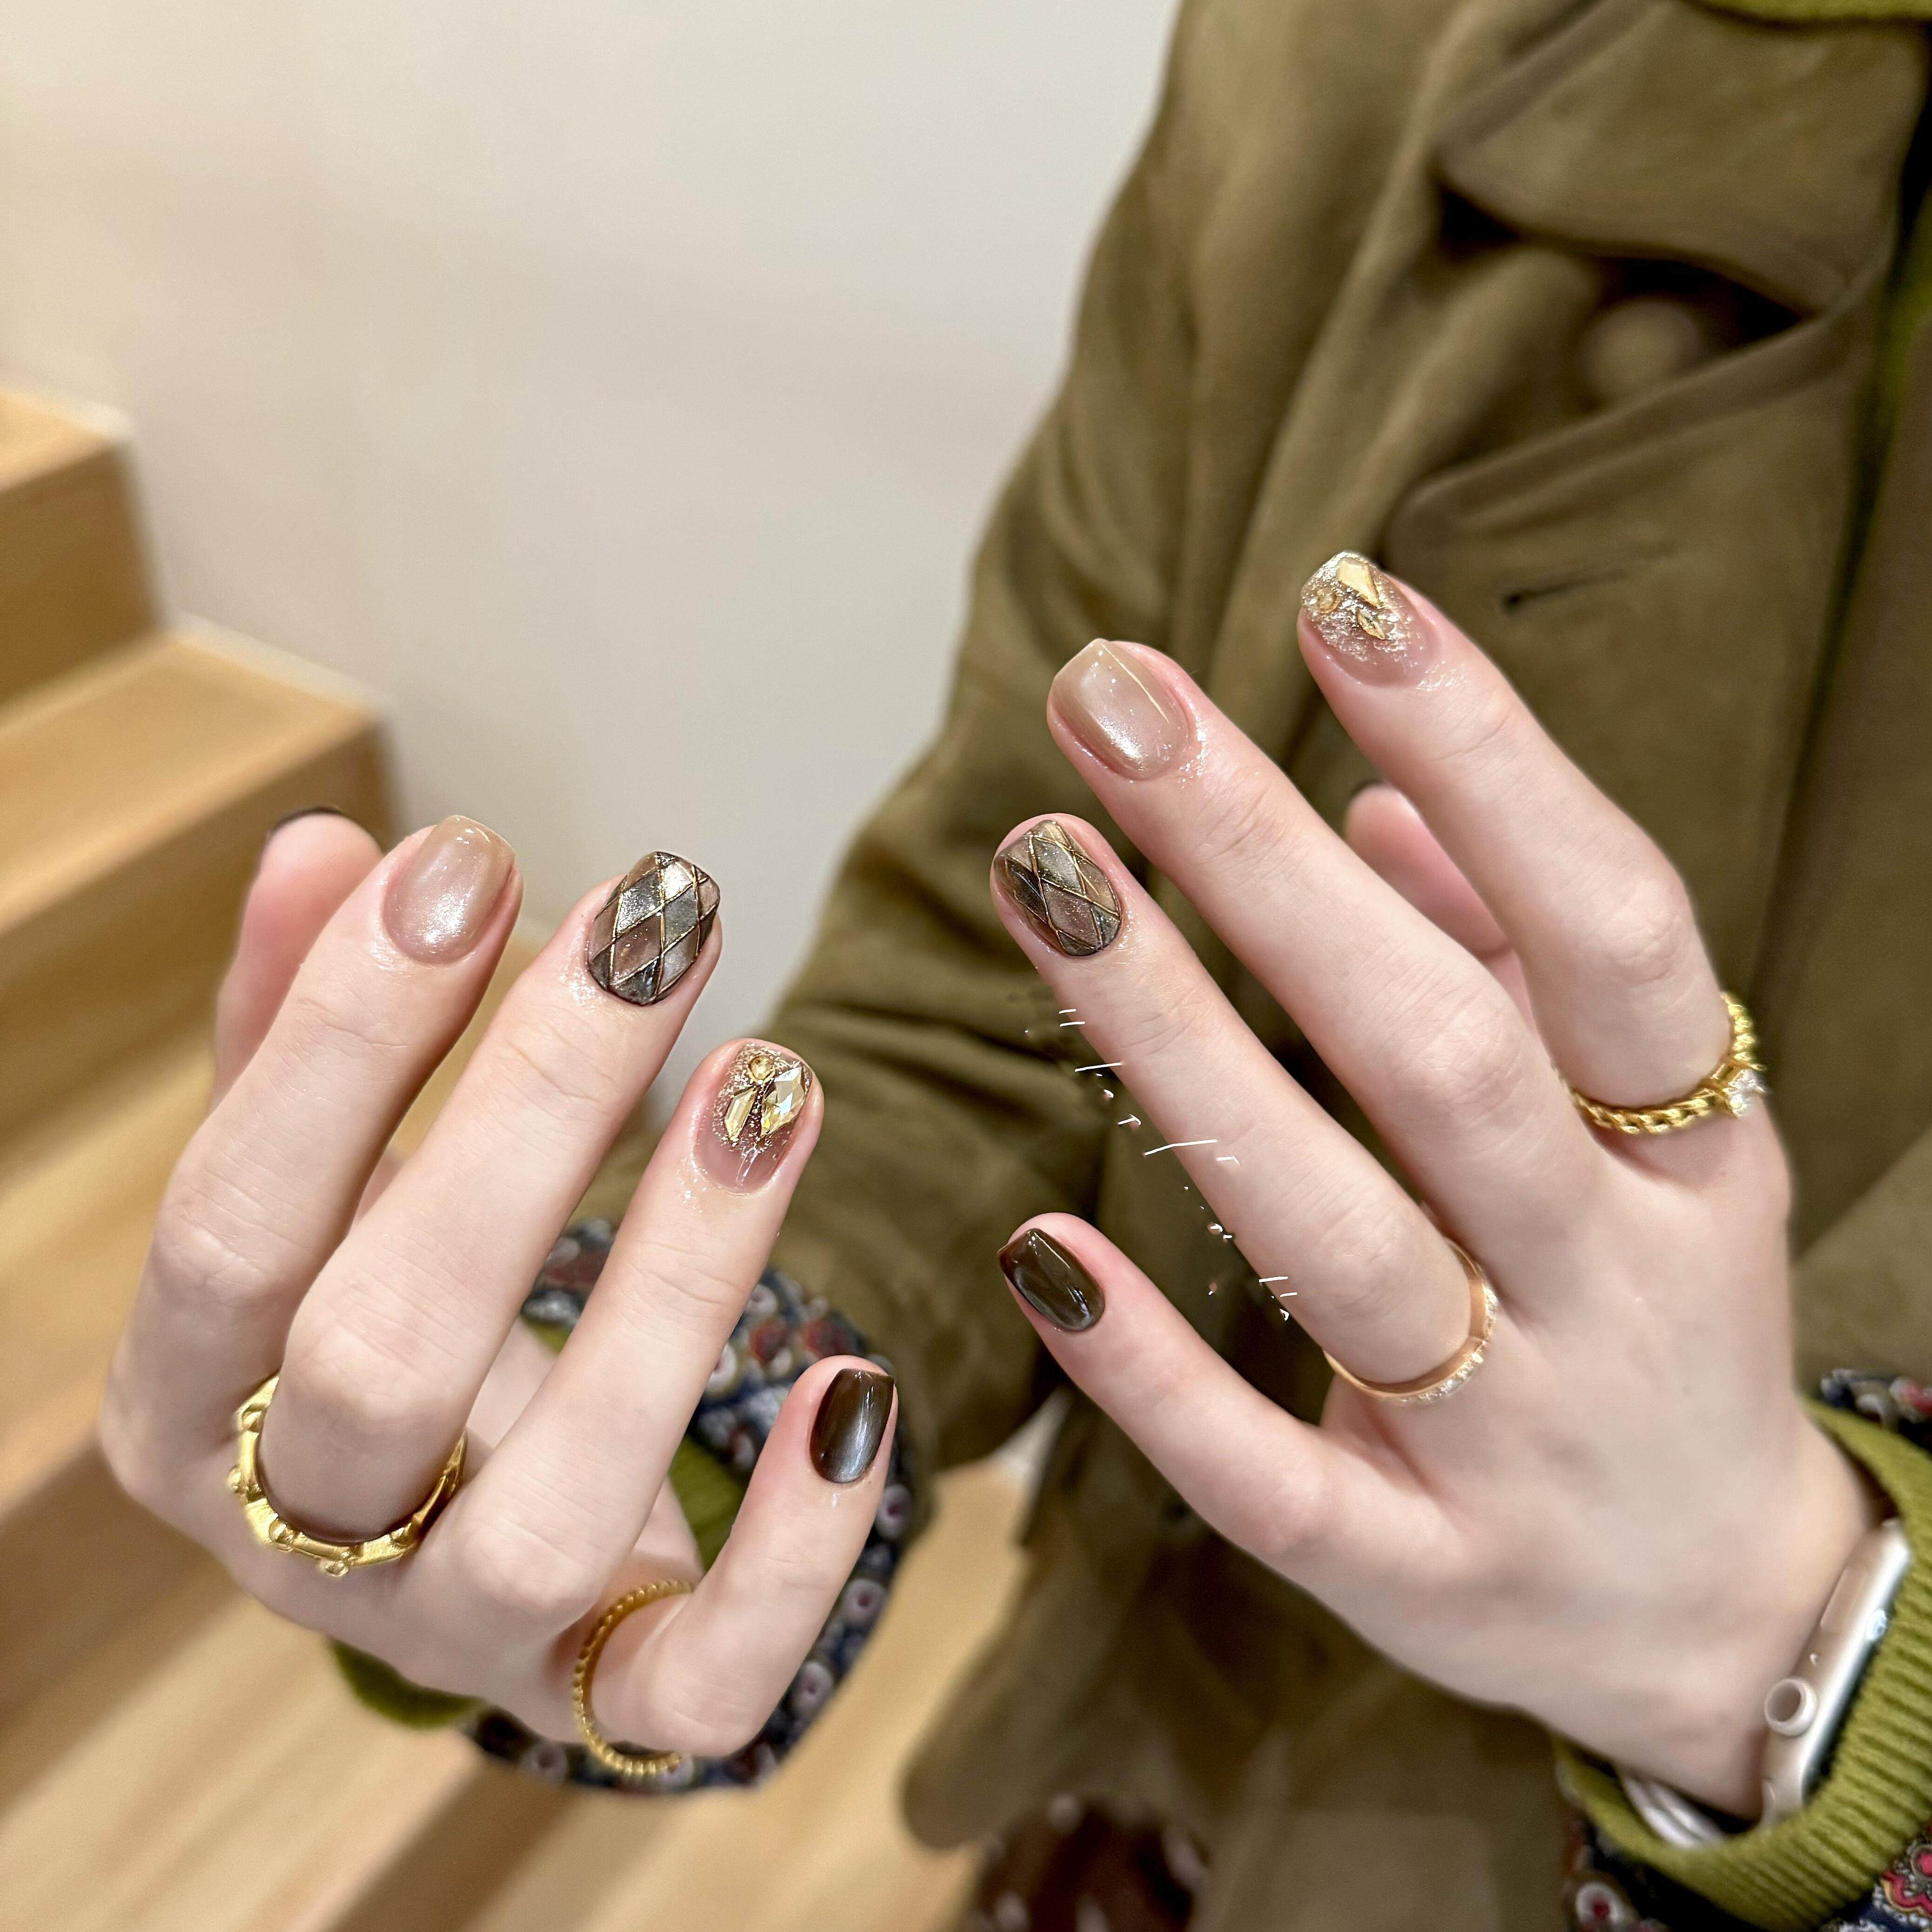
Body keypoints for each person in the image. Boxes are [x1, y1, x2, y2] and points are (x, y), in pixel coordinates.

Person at [99, 0, 1932, 1924]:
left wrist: (1810, 1668)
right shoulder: (1338, 47)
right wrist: (635, 1407)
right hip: (1158, 1790)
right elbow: (992, 1003)